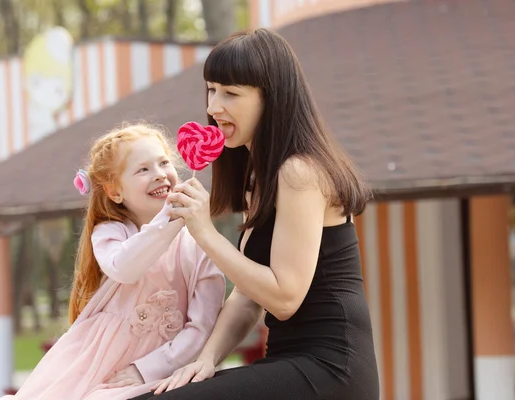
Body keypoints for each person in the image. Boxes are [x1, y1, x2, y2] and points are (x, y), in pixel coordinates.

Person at [129, 28, 379, 400]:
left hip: (330, 369)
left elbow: (284, 298)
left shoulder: (299, 173)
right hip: (288, 361)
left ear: (271, 99)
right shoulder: (258, 176)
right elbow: (247, 297)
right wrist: (206, 359)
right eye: (211, 89)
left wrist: (205, 232)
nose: (214, 106)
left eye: (231, 93)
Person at [0, 122, 225, 400]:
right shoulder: (110, 233)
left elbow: (202, 326)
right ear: (115, 192)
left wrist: (145, 370)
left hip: (155, 370)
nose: (158, 174)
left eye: (164, 163)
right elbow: (125, 268)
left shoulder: (200, 245)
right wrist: (169, 218)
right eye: (143, 169)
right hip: (93, 363)